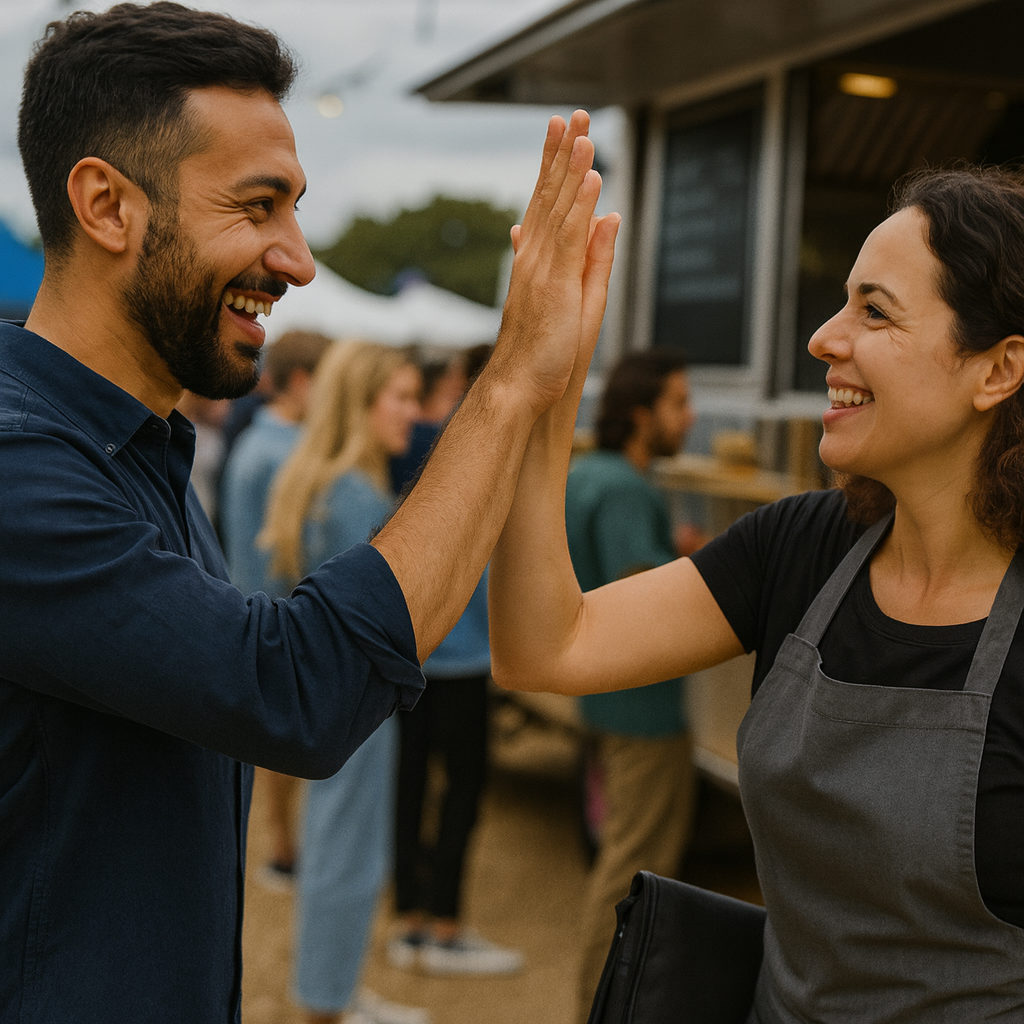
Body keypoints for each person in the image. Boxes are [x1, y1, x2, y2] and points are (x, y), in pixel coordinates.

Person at [0, 2, 620, 1020]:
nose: (296, 258)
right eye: (257, 206)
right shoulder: (22, 463)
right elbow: (292, 688)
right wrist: (508, 383)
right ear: (108, 206)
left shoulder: (143, 452)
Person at [490, 163, 1024, 1021]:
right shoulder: (802, 548)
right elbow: (544, 646)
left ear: (997, 370)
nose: (821, 337)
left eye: (874, 310)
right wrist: (539, 394)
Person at [259, 339, 425, 1024]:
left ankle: (334, 992)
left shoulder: (316, 480)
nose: (414, 415)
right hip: (357, 701)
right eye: (404, 397)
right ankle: (329, 1001)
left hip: (327, 696)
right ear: (362, 401)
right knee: (348, 846)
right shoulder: (357, 496)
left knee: (336, 839)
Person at [564, 348, 701, 1023]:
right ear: (644, 415)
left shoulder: (587, 471)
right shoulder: (624, 486)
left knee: (619, 851)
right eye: (680, 403)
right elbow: (638, 585)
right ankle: (600, 1003)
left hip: (604, 700)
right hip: (644, 712)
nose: (692, 416)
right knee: (633, 868)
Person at [387, 344, 524, 977]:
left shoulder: (418, 446)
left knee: (411, 787)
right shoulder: (475, 451)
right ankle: (444, 925)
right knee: (461, 794)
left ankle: (409, 920)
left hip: (416, 650)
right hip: (460, 655)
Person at [221, 327, 333, 888]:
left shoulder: (252, 441)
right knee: (279, 745)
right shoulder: (288, 453)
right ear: (303, 382)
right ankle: (285, 849)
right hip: (278, 611)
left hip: (249, 599)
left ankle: (280, 847)